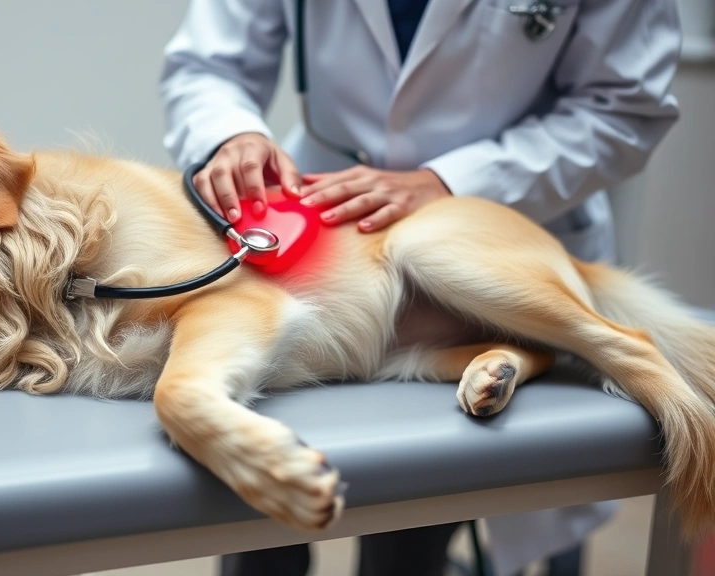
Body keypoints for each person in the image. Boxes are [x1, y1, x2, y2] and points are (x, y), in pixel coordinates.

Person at [159, 1, 683, 575]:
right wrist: (230, 134)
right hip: (318, 226)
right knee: (257, 515)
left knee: (414, 525)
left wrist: (452, 181)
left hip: (502, 220)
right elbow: (209, 64)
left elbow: (624, 111)